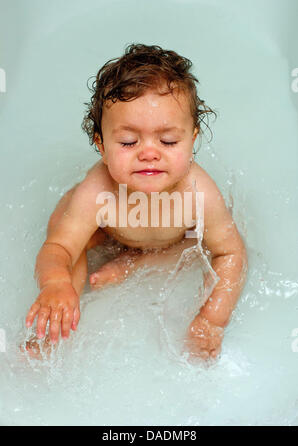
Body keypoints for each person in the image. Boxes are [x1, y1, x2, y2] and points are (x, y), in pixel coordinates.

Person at [23, 43, 247, 360]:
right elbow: (59, 248)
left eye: (168, 140)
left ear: (192, 139)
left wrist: (213, 320)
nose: (149, 152)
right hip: (107, 232)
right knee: (65, 234)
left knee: (198, 244)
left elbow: (231, 252)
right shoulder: (97, 191)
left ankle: (136, 263)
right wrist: (55, 283)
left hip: (167, 241)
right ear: (101, 144)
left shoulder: (199, 193)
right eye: (128, 141)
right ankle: (54, 328)